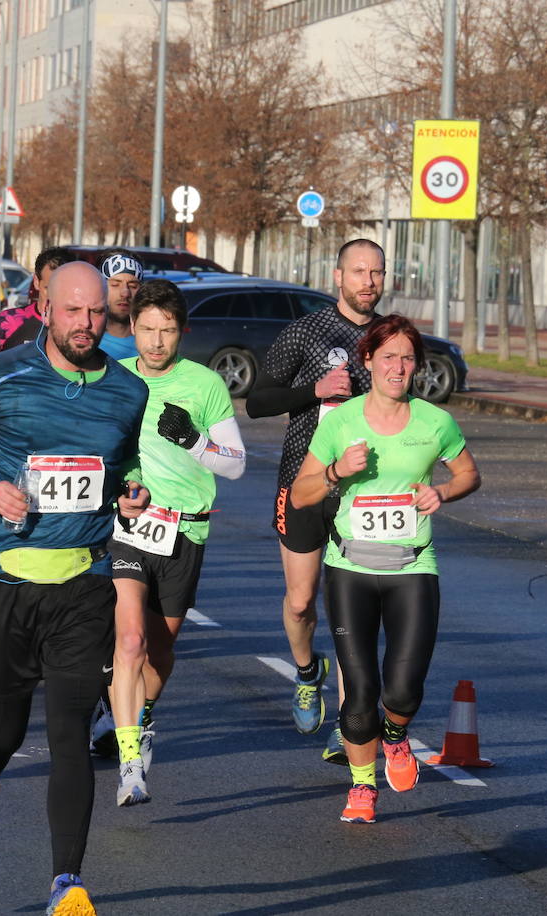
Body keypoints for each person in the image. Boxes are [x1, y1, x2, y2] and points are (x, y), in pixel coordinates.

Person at [0, 260, 149, 915]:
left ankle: (67, 883)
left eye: (96, 312)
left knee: (71, 729)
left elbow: (126, 461)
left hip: (84, 583)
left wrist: (133, 491)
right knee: (2, 731)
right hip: (5, 583)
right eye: (72, 311)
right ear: (45, 307)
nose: (85, 324)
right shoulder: (1, 373)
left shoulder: (127, 390)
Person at [289, 314, 480, 824]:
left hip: (413, 566)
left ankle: (395, 737)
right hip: (350, 566)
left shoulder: (434, 422)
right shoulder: (341, 422)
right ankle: (361, 786)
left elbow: (468, 473)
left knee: (403, 688)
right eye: (389, 356)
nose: (398, 368)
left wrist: (441, 490)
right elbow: (302, 493)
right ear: (367, 360)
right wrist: (335, 472)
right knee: (361, 688)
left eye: (408, 358)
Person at [107, 280, 246, 806]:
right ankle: (127, 765)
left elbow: (234, 467)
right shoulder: (116, 379)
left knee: (159, 650)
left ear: (181, 332)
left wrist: (194, 439)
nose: (157, 342)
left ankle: (140, 718)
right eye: (147, 330)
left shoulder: (205, 384)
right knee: (130, 643)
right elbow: (102, 452)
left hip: (185, 529)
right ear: (133, 327)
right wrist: (122, 489)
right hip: (131, 526)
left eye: (167, 331)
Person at [246, 238, 384, 758]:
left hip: (364, 488)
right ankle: (307, 670)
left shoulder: (390, 337)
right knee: (302, 601)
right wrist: (315, 391)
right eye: (358, 271)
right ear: (338, 276)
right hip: (302, 480)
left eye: (376, 272)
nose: (367, 281)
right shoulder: (305, 331)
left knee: (353, 609)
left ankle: (350, 724)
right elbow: (258, 402)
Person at [0, 247, 74, 354]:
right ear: (36, 282)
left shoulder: (81, 327)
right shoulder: (7, 322)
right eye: (49, 289)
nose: (56, 297)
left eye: (64, 290)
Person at [97, 250, 142, 360]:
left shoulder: (153, 343)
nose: (125, 293)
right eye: (115, 284)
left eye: (133, 286)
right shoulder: (84, 341)